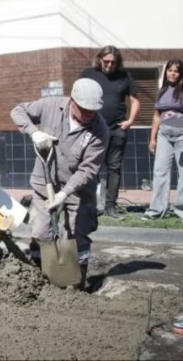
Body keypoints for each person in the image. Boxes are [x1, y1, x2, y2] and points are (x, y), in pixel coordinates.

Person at [10, 78, 109, 290]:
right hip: (43, 183)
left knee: (76, 236)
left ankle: (76, 288)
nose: (89, 114)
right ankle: (43, 282)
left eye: (93, 110)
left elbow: (87, 170)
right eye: (84, 109)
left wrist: (64, 194)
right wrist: (34, 132)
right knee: (42, 233)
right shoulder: (51, 105)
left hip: (78, 191)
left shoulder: (100, 130)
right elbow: (18, 111)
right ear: (72, 101)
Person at [80, 45, 140, 219]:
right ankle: (90, 205)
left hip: (117, 129)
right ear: (99, 59)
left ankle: (110, 207)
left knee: (114, 168)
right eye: (106, 61)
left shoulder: (124, 76)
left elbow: (135, 100)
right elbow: (77, 98)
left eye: (113, 62)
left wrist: (130, 121)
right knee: (92, 167)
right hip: (94, 129)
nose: (109, 65)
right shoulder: (88, 74)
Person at [142, 59, 183, 223]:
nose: (172, 73)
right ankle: (156, 209)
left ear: (181, 74)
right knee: (160, 171)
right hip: (164, 134)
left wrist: (181, 116)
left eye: (176, 71)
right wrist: (152, 138)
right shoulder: (162, 90)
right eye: (170, 70)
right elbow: (156, 116)